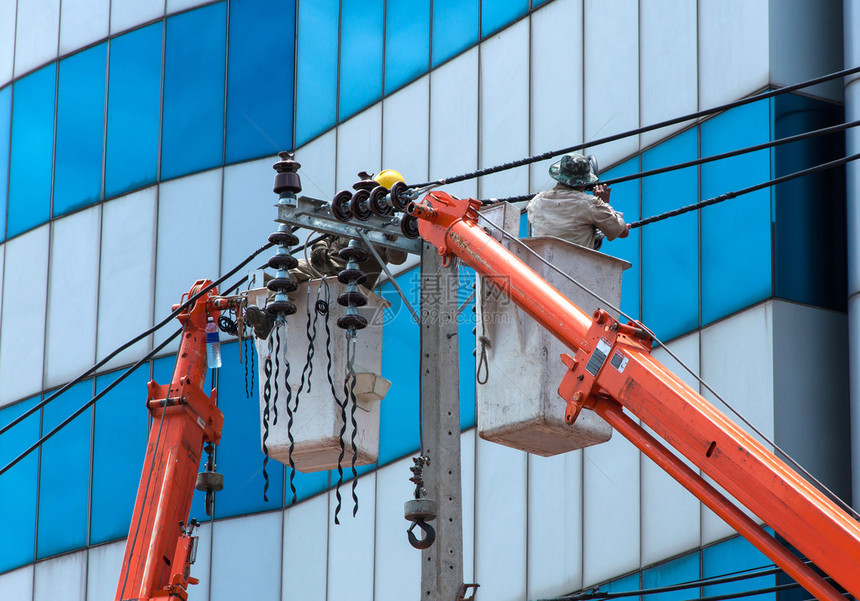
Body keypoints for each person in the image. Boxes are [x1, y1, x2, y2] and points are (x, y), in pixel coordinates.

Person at [526, 153, 630, 250]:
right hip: (573, 267)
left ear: (559, 176)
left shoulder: (535, 202)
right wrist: (604, 204)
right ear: (585, 182)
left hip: (541, 265)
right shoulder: (591, 204)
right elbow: (623, 232)